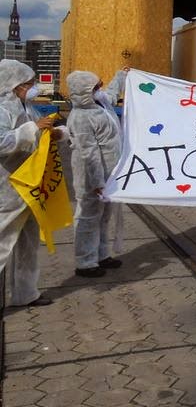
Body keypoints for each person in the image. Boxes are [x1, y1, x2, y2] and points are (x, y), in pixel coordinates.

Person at [0, 60, 64, 307]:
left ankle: (25, 293)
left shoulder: (27, 107)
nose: (33, 87)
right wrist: (31, 129)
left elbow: (40, 132)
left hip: (31, 185)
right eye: (28, 83)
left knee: (28, 243)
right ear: (14, 85)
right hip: (9, 187)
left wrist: (56, 133)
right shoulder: (3, 110)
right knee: (3, 243)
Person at [65, 68, 128, 277]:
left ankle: (101, 255)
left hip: (109, 172)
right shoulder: (81, 116)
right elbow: (88, 154)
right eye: (95, 87)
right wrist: (97, 182)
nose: (100, 89)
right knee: (88, 217)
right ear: (84, 91)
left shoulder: (100, 104)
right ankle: (85, 262)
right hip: (92, 176)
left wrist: (119, 75)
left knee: (103, 216)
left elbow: (111, 93)